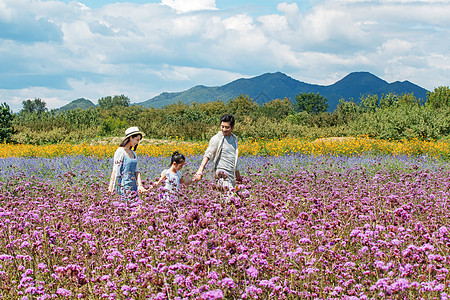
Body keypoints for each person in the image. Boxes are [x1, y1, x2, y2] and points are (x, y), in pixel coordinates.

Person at [193, 114, 242, 195]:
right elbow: (207, 155)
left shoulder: (234, 139)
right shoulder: (217, 138)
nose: (224, 129)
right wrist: (200, 170)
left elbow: (234, 159)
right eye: (222, 126)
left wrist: (237, 175)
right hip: (220, 174)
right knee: (228, 198)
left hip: (231, 175)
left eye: (227, 127)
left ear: (232, 127)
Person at [108, 127, 146, 200]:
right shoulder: (120, 151)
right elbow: (115, 170)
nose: (137, 142)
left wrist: (140, 185)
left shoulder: (133, 153)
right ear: (131, 137)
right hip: (123, 186)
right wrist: (111, 187)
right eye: (137, 140)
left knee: (138, 209)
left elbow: (136, 171)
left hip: (133, 185)